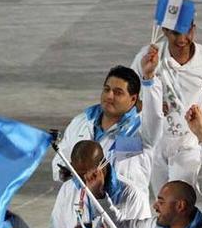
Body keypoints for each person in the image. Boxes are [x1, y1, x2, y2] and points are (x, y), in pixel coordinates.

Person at [132, 10, 202, 194]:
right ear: (164, 31)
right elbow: (130, 92)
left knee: (179, 197)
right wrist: (148, 106)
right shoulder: (149, 56)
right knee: (161, 198)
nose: (182, 39)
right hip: (157, 140)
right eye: (175, 33)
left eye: (187, 32)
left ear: (193, 29)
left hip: (188, 140)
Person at [51, 63, 162, 196]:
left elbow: (154, 116)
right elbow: (59, 160)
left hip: (124, 211)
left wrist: (149, 80)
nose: (109, 96)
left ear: (133, 99)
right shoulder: (81, 122)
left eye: (118, 92)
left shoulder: (141, 132)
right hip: (80, 208)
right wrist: (65, 171)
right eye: (107, 89)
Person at [49, 140, 150, 228]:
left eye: (86, 173)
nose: (82, 180)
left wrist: (99, 196)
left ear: (102, 166)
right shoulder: (68, 188)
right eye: (76, 173)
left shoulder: (133, 195)